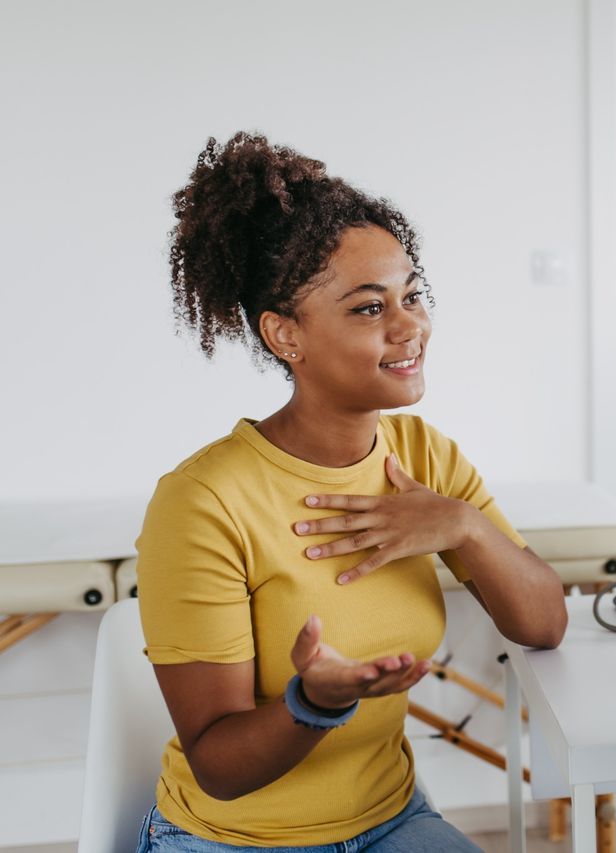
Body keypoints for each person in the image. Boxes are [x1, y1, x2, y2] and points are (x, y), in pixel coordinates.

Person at [133, 132, 568, 851]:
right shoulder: (204, 502)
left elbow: (544, 623)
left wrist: (463, 524)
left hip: (389, 817)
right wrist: (313, 702)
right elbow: (218, 768)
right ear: (285, 335)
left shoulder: (424, 456)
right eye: (369, 308)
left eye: (412, 296)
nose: (409, 326)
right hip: (234, 839)